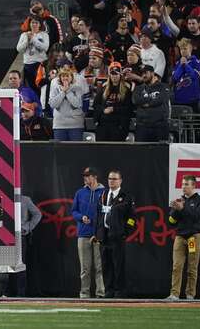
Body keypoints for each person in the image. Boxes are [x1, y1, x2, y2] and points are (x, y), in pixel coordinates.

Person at [94, 169, 135, 298]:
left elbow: (132, 217)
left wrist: (125, 232)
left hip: (117, 236)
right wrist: (98, 233)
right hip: (104, 236)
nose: (111, 181)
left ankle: (119, 291)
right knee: (106, 265)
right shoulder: (104, 195)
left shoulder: (126, 197)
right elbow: (99, 215)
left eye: (114, 179)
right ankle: (109, 290)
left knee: (118, 265)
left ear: (120, 180)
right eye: (109, 179)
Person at [71, 166, 106, 299]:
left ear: (95, 177)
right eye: (84, 176)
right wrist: (81, 217)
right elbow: (73, 211)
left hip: (98, 234)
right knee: (85, 268)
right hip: (83, 234)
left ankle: (100, 293)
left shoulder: (104, 192)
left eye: (88, 176)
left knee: (99, 266)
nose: (85, 178)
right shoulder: (80, 193)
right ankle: (84, 293)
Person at [167, 175, 200, 301]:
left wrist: (183, 208)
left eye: (186, 184)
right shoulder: (180, 200)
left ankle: (190, 294)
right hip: (180, 236)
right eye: (182, 184)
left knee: (192, 267)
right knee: (177, 266)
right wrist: (175, 210)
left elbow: (196, 217)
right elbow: (171, 221)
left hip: (193, 236)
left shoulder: (198, 201)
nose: (183, 187)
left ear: (194, 186)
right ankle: (174, 294)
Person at [5, 194, 41, 297]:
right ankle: (5, 291)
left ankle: (20, 292)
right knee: (5, 264)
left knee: (20, 264)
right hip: (4, 235)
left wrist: (27, 227)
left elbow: (37, 214)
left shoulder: (24, 199)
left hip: (19, 235)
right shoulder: (3, 195)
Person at [93, 63, 133, 141]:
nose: (114, 76)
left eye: (116, 74)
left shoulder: (126, 90)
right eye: (112, 74)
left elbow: (129, 108)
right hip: (103, 125)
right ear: (109, 75)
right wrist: (103, 110)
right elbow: (96, 105)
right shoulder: (103, 89)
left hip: (118, 125)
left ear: (120, 75)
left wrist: (114, 109)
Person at [132, 64, 172, 141]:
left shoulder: (164, 86)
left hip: (160, 126)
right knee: (141, 152)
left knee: (160, 152)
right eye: (142, 73)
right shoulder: (138, 88)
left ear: (153, 73)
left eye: (145, 73)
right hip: (142, 127)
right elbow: (135, 100)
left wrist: (145, 103)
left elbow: (161, 99)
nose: (143, 75)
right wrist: (152, 101)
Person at [49, 65, 85, 141]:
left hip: (75, 126)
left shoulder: (77, 89)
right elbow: (53, 104)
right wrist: (62, 92)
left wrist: (67, 91)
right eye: (63, 76)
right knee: (60, 151)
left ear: (71, 77)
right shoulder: (55, 89)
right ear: (60, 78)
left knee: (75, 150)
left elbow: (77, 104)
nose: (65, 78)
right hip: (59, 126)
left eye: (67, 76)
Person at [16, 18, 49, 94]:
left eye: (36, 23)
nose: (34, 24)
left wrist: (33, 39)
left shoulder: (44, 34)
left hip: (41, 64)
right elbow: (19, 49)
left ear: (40, 24)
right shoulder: (24, 35)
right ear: (29, 24)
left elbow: (45, 48)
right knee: (31, 88)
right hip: (28, 65)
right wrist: (27, 40)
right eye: (32, 23)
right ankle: (34, 104)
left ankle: (42, 105)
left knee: (42, 86)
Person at [172, 38, 200, 110]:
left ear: (190, 49)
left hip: (193, 99)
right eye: (181, 49)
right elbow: (175, 78)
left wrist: (186, 65)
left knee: (193, 121)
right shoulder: (178, 63)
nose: (183, 51)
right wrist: (181, 65)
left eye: (185, 48)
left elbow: (195, 76)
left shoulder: (196, 62)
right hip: (179, 99)